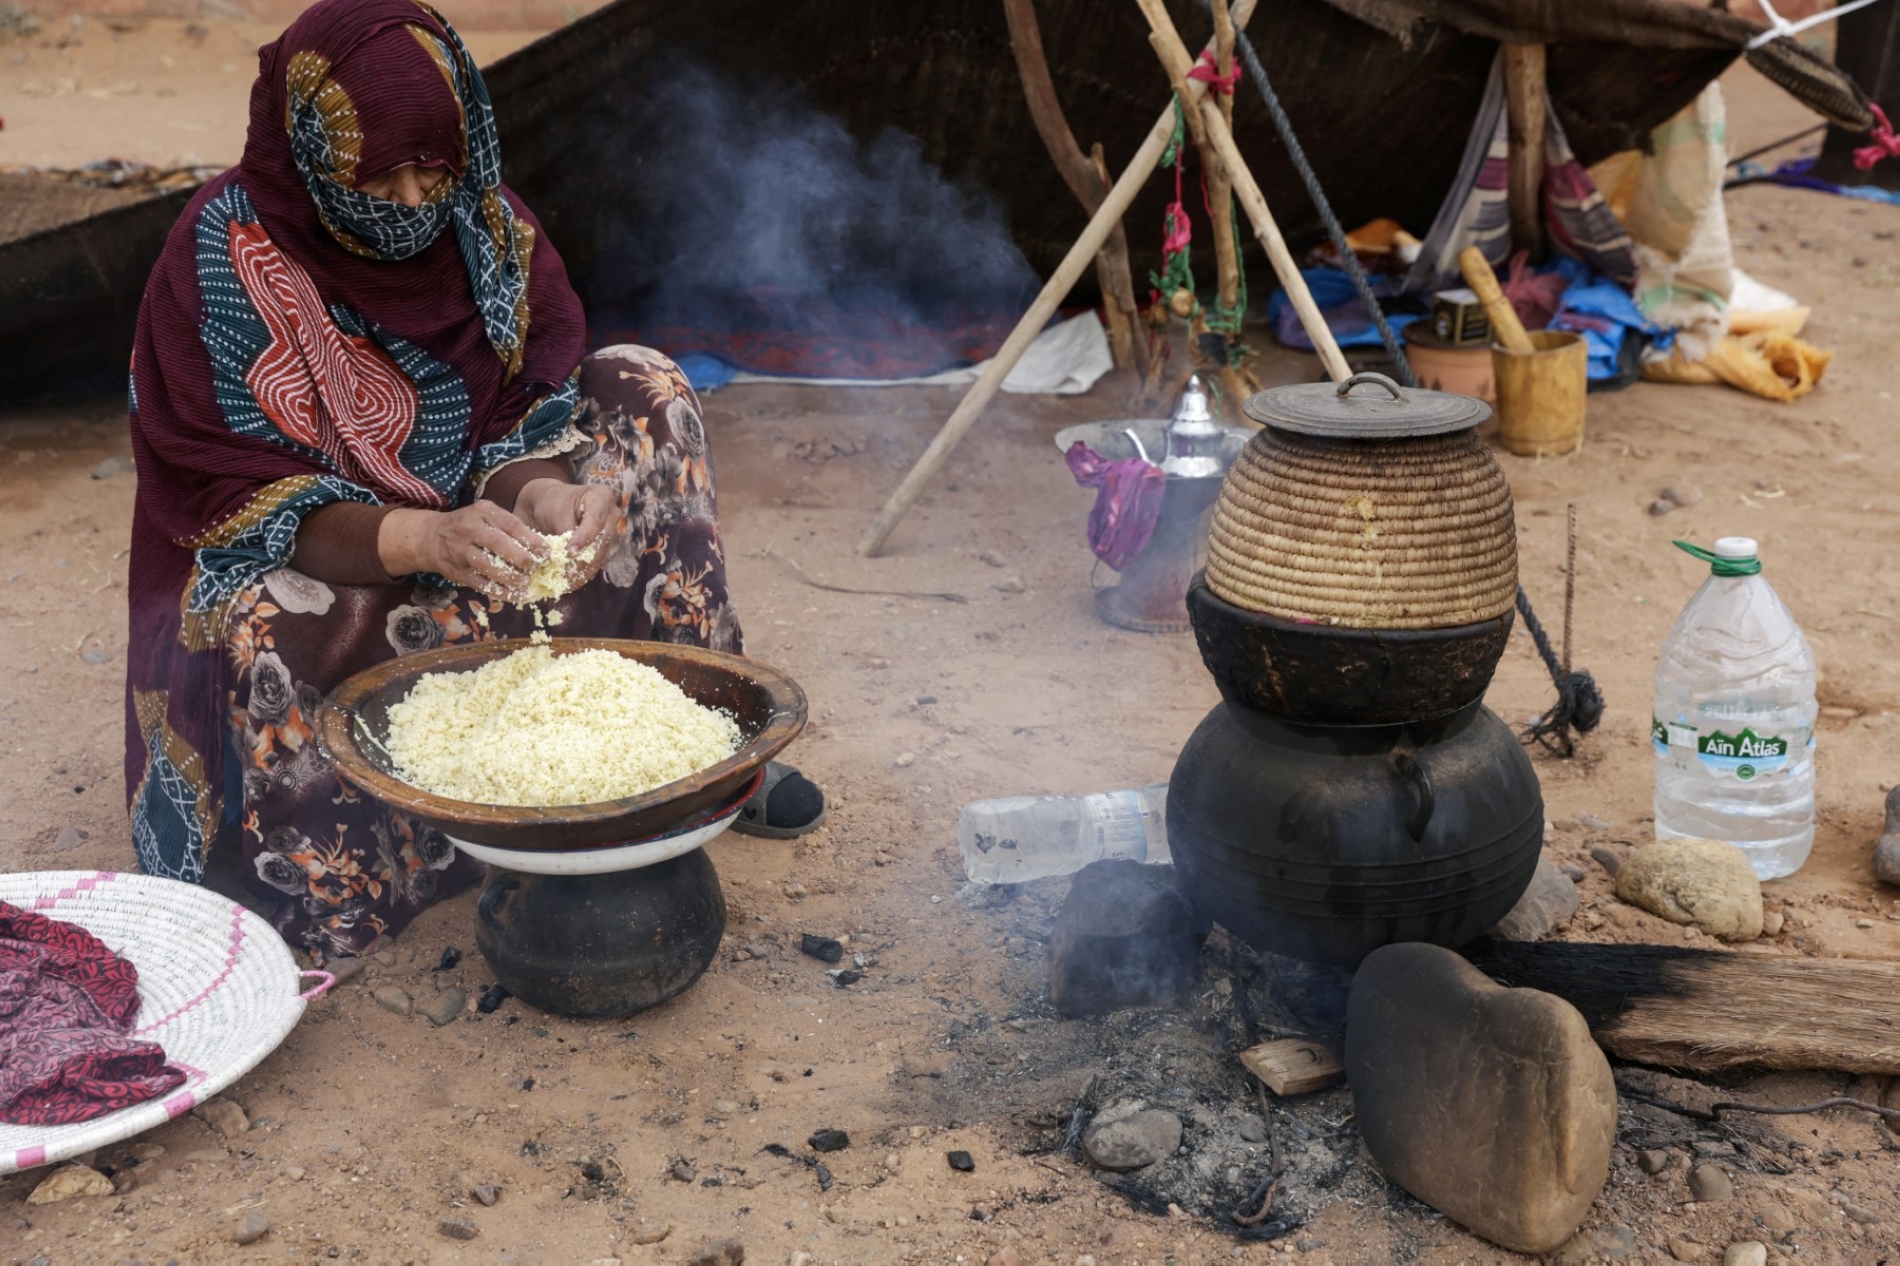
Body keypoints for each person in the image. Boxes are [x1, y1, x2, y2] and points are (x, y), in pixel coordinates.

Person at [124, 0, 823, 962]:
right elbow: (230, 499)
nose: (415, 201)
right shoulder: (223, 261)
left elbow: (516, 414)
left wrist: (543, 496)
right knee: (260, 615)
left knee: (648, 386)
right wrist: (423, 536)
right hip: (344, 566)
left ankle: (701, 755)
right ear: (315, 158)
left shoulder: (482, 223)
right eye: (384, 177)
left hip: (486, 545)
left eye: (435, 170)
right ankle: (361, 870)